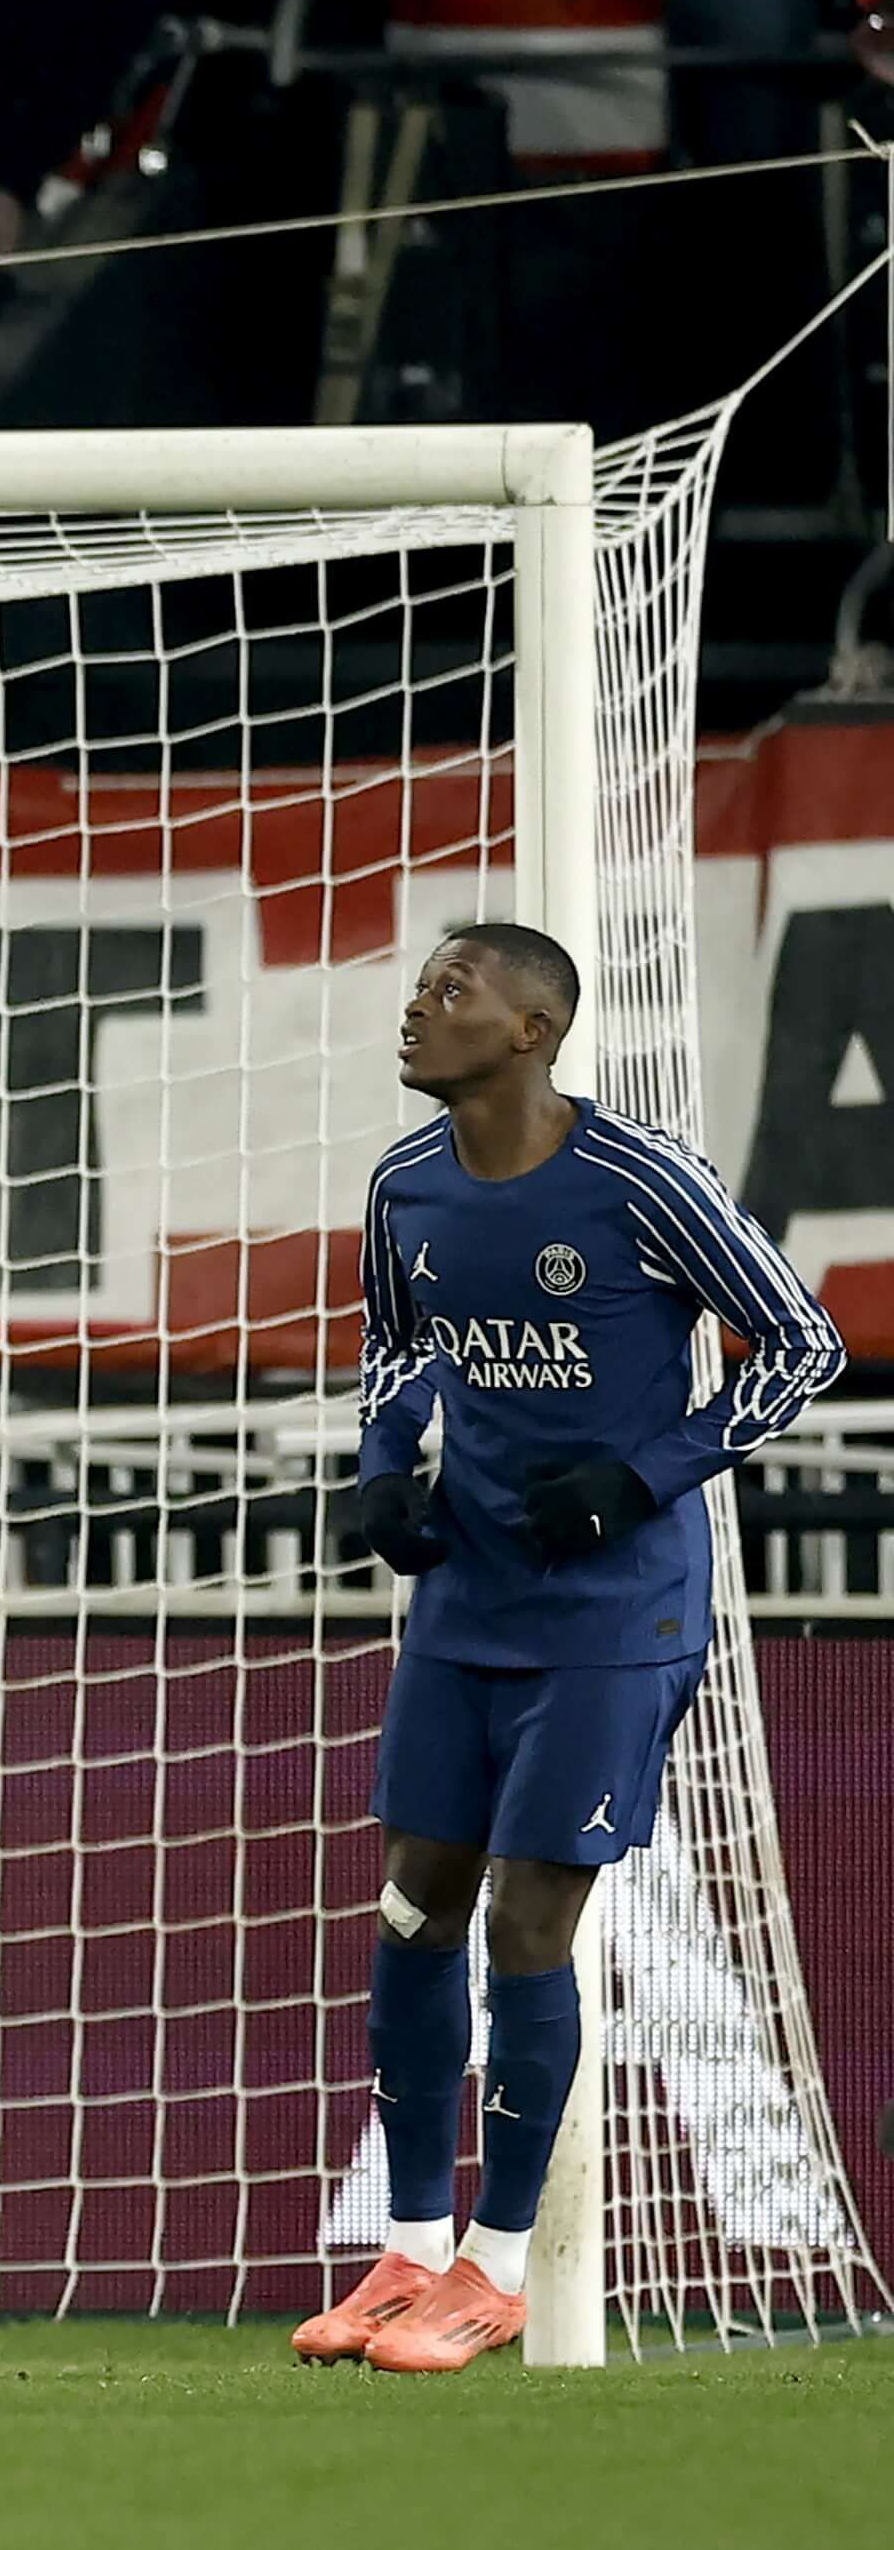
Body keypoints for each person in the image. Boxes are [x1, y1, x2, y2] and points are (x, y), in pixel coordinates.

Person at [295, 922, 842, 2375]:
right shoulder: (404, 1183)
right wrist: (379, 1471)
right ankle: (408, 2250)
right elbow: (397, 1348)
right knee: (415, 1905)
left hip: (615, 1612)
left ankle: (495, 2264)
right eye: (420, 987)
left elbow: (803, 1344)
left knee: (530, 1922)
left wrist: (647, 1472)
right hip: (467, 1600)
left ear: (533, 1026)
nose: (419, 1009)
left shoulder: (639, 1179)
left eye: (452, 989)